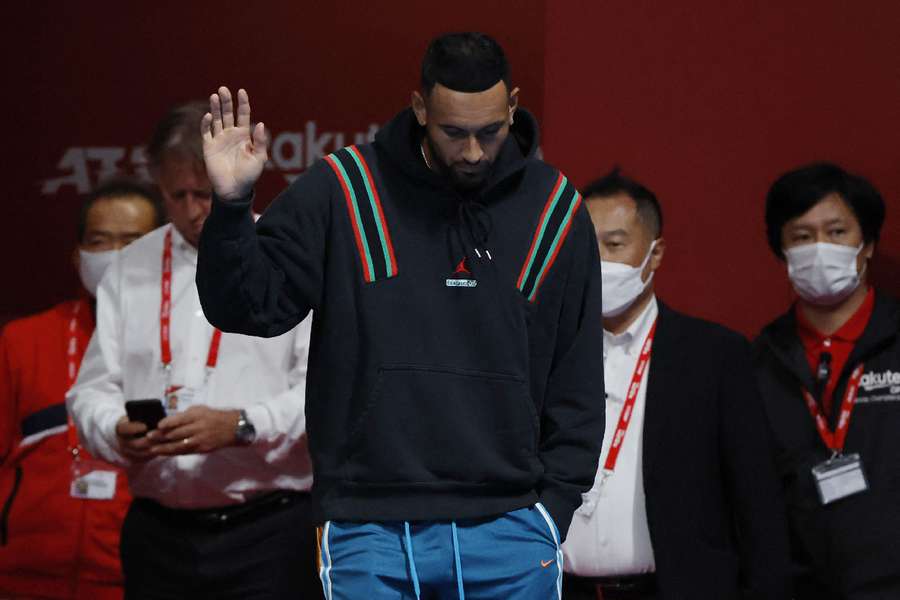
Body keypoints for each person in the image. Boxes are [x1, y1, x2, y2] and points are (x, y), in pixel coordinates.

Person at [196, 32, 605, 599]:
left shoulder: (556, 208)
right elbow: (247, 307)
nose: (472, 152)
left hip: (512, 527)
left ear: (513, 105)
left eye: (490, 131)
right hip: (369, 524)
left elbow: (578, 374)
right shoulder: (343, 188)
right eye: (453, 132)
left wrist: (553, 509)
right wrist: (233, 207)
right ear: (419, 108)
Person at [67, 102, 319, 600]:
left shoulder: (286, 255)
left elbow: (323, 388)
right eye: (175, 195)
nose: (191, 210)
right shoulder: (131, 265)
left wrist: (245, 425)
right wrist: (115, 431)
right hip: (158, 535)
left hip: (267, 531)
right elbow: (91, 391)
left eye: (203, 193)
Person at [561, 169, 792, 600]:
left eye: (614, 245)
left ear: (655, 253)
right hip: (562, 590)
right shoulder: (548, 353)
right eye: (585, 246)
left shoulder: (714, 355)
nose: (598, 261)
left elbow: (757, 501)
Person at [0, 178, 162, 599]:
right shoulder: (22, 342)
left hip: (135, 579)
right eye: (100, 241)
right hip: (23, 578)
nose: (114, 255)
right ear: (77, 255)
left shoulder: (183, 343)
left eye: (132, 241)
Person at [753, 162, 900, 599]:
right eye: (801, 236)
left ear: (867, 244)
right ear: (781, 251)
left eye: (837, 233)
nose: (820, 248)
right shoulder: (759, 360)